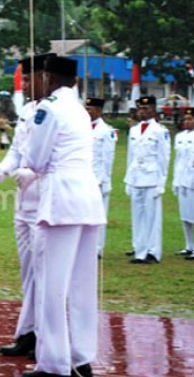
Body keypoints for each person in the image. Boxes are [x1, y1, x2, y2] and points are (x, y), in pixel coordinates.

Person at [22, 56, 105, 377]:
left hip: (60, 201)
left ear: (47, 76)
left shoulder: (50, 108)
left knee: (51, 286)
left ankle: (54, 365)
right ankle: (81, 357)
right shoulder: (80, 109)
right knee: (82, 285)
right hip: (87, 198)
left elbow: (36, 159)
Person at [0, 53, 56, 360]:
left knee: (46, 273)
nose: (26, 85)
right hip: (23, 205)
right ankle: (27, 333)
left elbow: (58, 157)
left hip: (48, 202)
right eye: (24, 79)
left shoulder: (58, 111)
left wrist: (33, 172)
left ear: (47, 78)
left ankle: (46, 336)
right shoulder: (28, 110)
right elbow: (17, 151)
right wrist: (4, 167)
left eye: (29, 79)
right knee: (28, 272)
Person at [124, 96, 170, 264]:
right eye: (140, 109)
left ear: (153, 110)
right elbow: (130, 156)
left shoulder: (160, 130)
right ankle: (139, 248)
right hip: (136, 177)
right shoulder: (135, 130)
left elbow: (164, 158)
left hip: (152, 177)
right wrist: (128, 179)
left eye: (145, 109)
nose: (141, 112)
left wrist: (161, 183)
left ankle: (153, 251)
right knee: (137, 215)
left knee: (152, 216)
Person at [86, 97, 117, 258]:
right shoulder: (82, 127)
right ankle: (86, 246)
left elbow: (108, 158)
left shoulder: (106, 131)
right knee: (84, 214)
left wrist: (105, 180)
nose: (87, 111)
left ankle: (97, 248)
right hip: (83, 178)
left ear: (98, 111)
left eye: (90, 109)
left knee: (98, 214)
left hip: (98, 179)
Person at [173, 108, 194, 260]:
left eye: (190, 119)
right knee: (185, 215)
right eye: (185, 119)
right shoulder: (179, 137)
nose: (187, 122)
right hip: (182, 179)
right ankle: (188, 245)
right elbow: (178, 160)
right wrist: (175, 180)